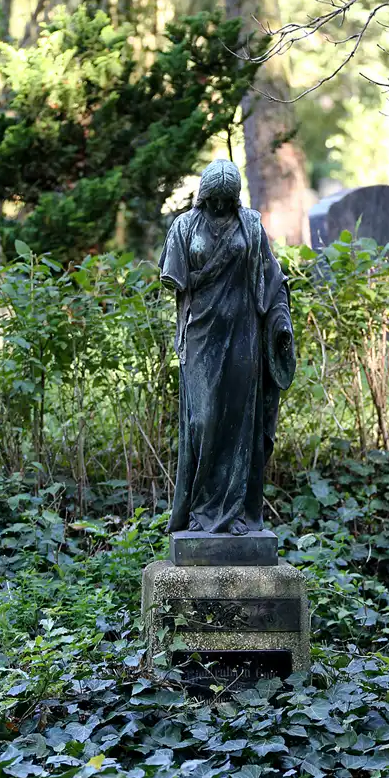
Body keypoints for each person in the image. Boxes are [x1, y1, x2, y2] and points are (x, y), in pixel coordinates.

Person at [159, 159, 295, 535]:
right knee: (203, 421)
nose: (219, 206)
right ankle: (201, 510)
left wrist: (280, 321)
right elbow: (174, 276)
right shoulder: (184, 226)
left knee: (238, 423)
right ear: (204, 196)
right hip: (201, 335)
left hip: (243, 334)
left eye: (226, 200)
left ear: (234, 198)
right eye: (213, 199)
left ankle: (234, 512)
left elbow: (272, 279)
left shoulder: (249, 224)